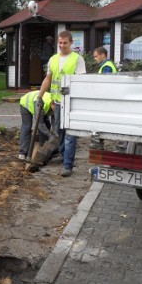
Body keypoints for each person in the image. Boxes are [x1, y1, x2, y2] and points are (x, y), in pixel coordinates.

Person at [37, 30, 86, 177]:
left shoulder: (77, 59)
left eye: (65, 43)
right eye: (60, 43)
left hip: (71, 103)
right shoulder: (53, 59)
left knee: (70, 134)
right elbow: (48, 79)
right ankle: (65, 155)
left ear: (71, 43)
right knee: (60, 131)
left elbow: (81, 82)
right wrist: (40, 96)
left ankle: (67, 165)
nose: (62, 45)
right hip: (57, 102)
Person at [18, 91, 53, 161]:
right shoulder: (41, 104)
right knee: (27, 126)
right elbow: (39, 124)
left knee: (46, 125)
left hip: (41, 106)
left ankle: (43, 150)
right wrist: (51, 136)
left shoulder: (56, 104)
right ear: (53, 104)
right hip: (26, 103)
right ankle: (23, 153)